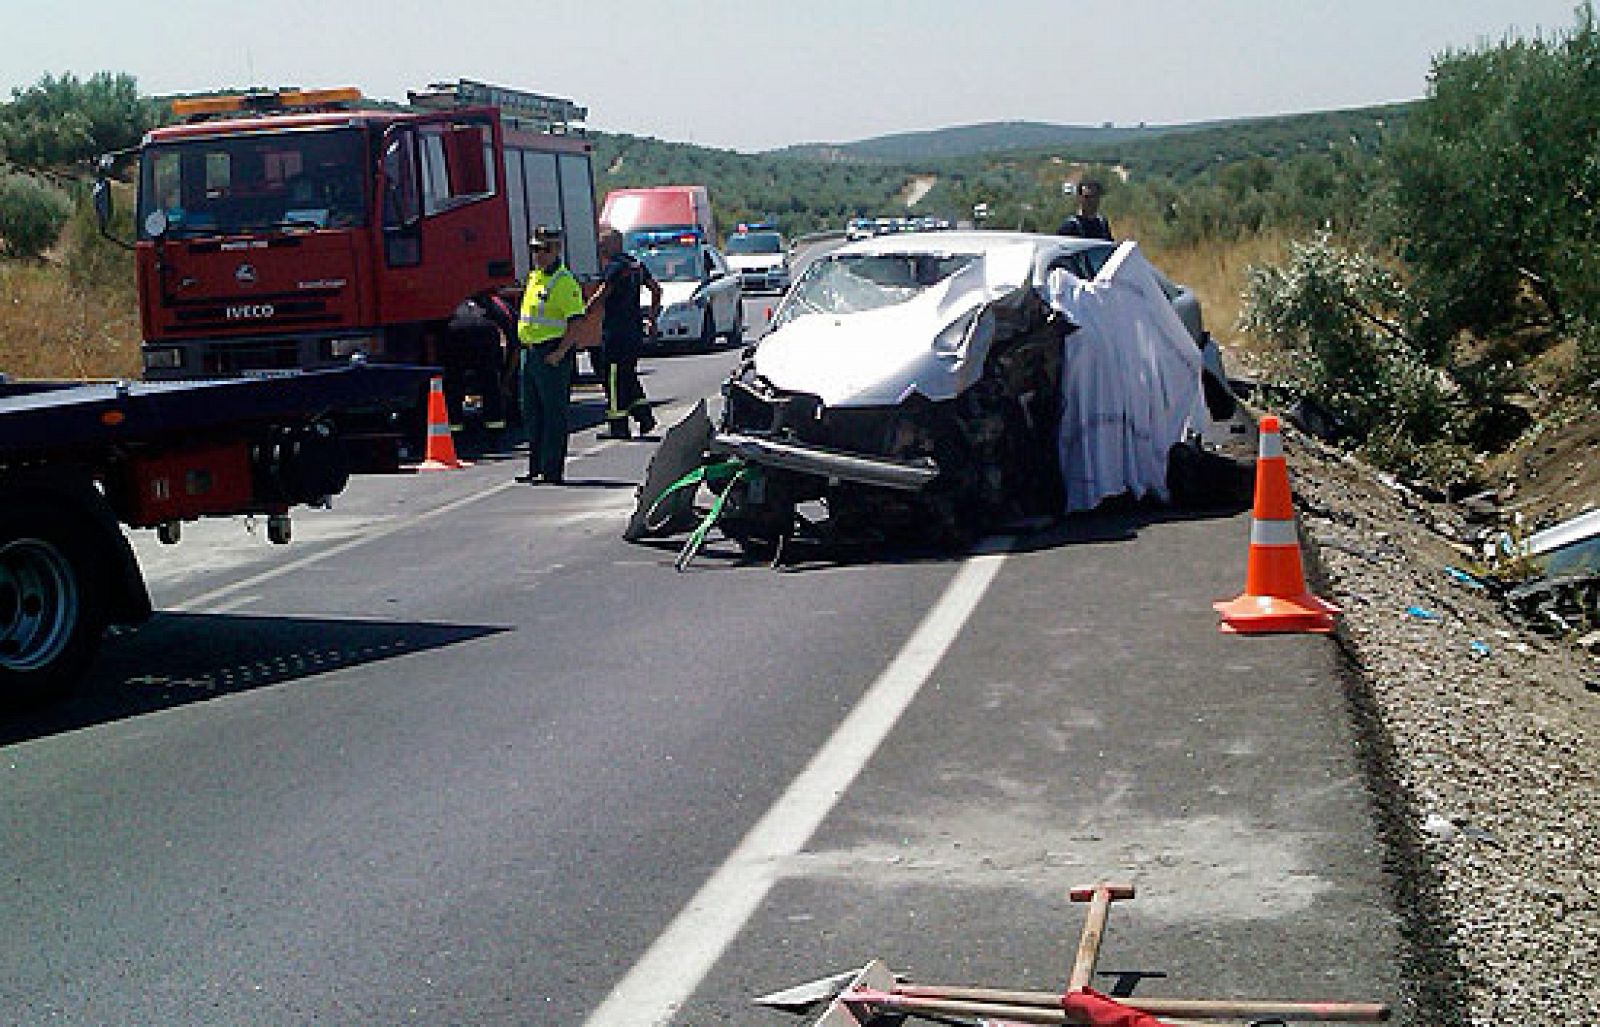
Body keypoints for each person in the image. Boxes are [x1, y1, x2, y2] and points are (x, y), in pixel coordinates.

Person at [513, 226, 585, 484]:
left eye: (544, 250)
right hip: (531, 353)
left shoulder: (563, 282)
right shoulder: (535, 277)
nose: (539, 255)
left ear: (557, 250)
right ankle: (536, 467)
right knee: (531, 413)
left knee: (553, 414)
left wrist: (560, 352)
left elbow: (576, 322)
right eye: (535, 249)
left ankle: (552, 470)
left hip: (551, 353)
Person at [585, 226, 663, 439]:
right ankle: (644, 417)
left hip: (615, 332)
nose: (600, 248)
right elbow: (656, 289)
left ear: (614, 244)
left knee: (613, 378)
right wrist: (652, 317)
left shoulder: (615, 266)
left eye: (603, 244)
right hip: (634, 330)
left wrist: (585, 311)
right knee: (627, 374)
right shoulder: (636, 265)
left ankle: (619, 426)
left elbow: (603, 292)